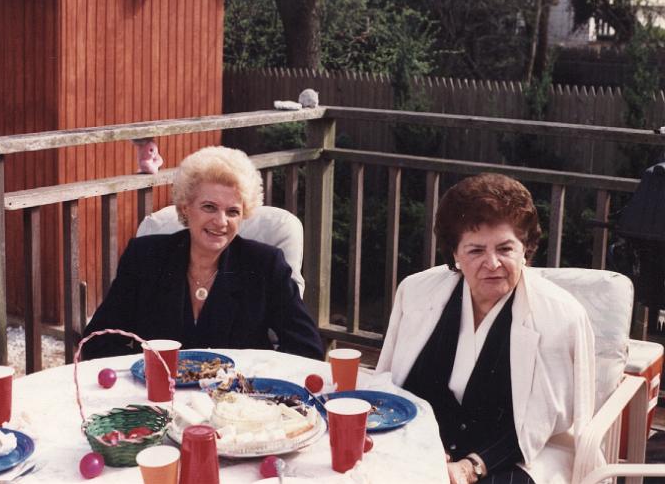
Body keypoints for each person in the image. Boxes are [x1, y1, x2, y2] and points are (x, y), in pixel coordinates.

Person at [375, 173, 595, 484]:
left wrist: (469, 467)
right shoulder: (416, 292)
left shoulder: (559, 316)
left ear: (526, 250)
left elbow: (539, 422)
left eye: (505, 249)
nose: (492, 263)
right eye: (475, 250)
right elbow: (397, 385)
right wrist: (429, 449)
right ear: (455, 253)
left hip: (515, 456)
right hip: (427, 447)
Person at [82, 146, 324, 361]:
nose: (221, 222)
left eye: (232, 211)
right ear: (186, 208)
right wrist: (145, 370)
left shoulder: (264, 264)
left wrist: (255, 382)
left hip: (236, 403)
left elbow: (307, 348)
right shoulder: (145, 257)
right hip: (157, 401)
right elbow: (97, 340)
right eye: (209, 207)